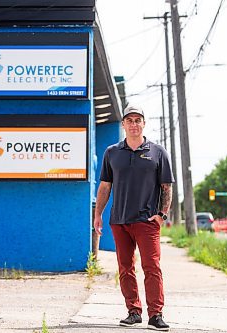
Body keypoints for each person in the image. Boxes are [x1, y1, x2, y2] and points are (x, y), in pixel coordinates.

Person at [94, 105, 174, 331]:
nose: (134, 124)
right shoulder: (112, 152)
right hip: (119, 220)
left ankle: (156, 314)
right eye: (130, 120)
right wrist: (98, 214)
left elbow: (166, 186)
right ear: (123, 125)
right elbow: (105, 186)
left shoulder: (158, 152)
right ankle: (133, 311)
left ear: (144, 124)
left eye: (138, 120)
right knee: (125, 268)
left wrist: (162, 215)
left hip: (147, 221)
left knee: (152, 267)